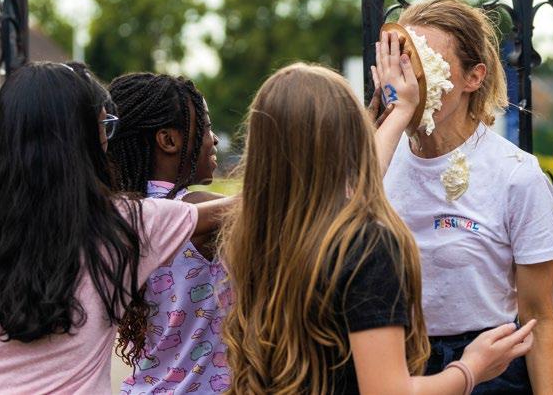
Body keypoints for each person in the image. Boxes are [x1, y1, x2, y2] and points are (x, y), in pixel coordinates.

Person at [220, 39, 535, 394]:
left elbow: (356, 189)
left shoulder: (253, 232)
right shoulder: (366, 246)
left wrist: (400, 111)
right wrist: (471, 367)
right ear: (350, 138)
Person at [0, 62, 232, 394]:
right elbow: (252, 207)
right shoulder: (122, 222)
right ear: (80, 139)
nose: (108, 141)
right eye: (105, 126)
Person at [382, 0, 553, 394]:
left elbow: (539, 316)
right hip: (394, 359)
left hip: (491, 365)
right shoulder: (377, 161)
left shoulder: (516, 175)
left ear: (473, 78)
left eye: (430, 63)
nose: (414, 78)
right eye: (405, 62)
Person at [107, 72, 231, 394]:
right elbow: (277, 204)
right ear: (168, 140)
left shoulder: (121, 214)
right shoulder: (195, 213)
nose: (214, 139)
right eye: (205, 127)